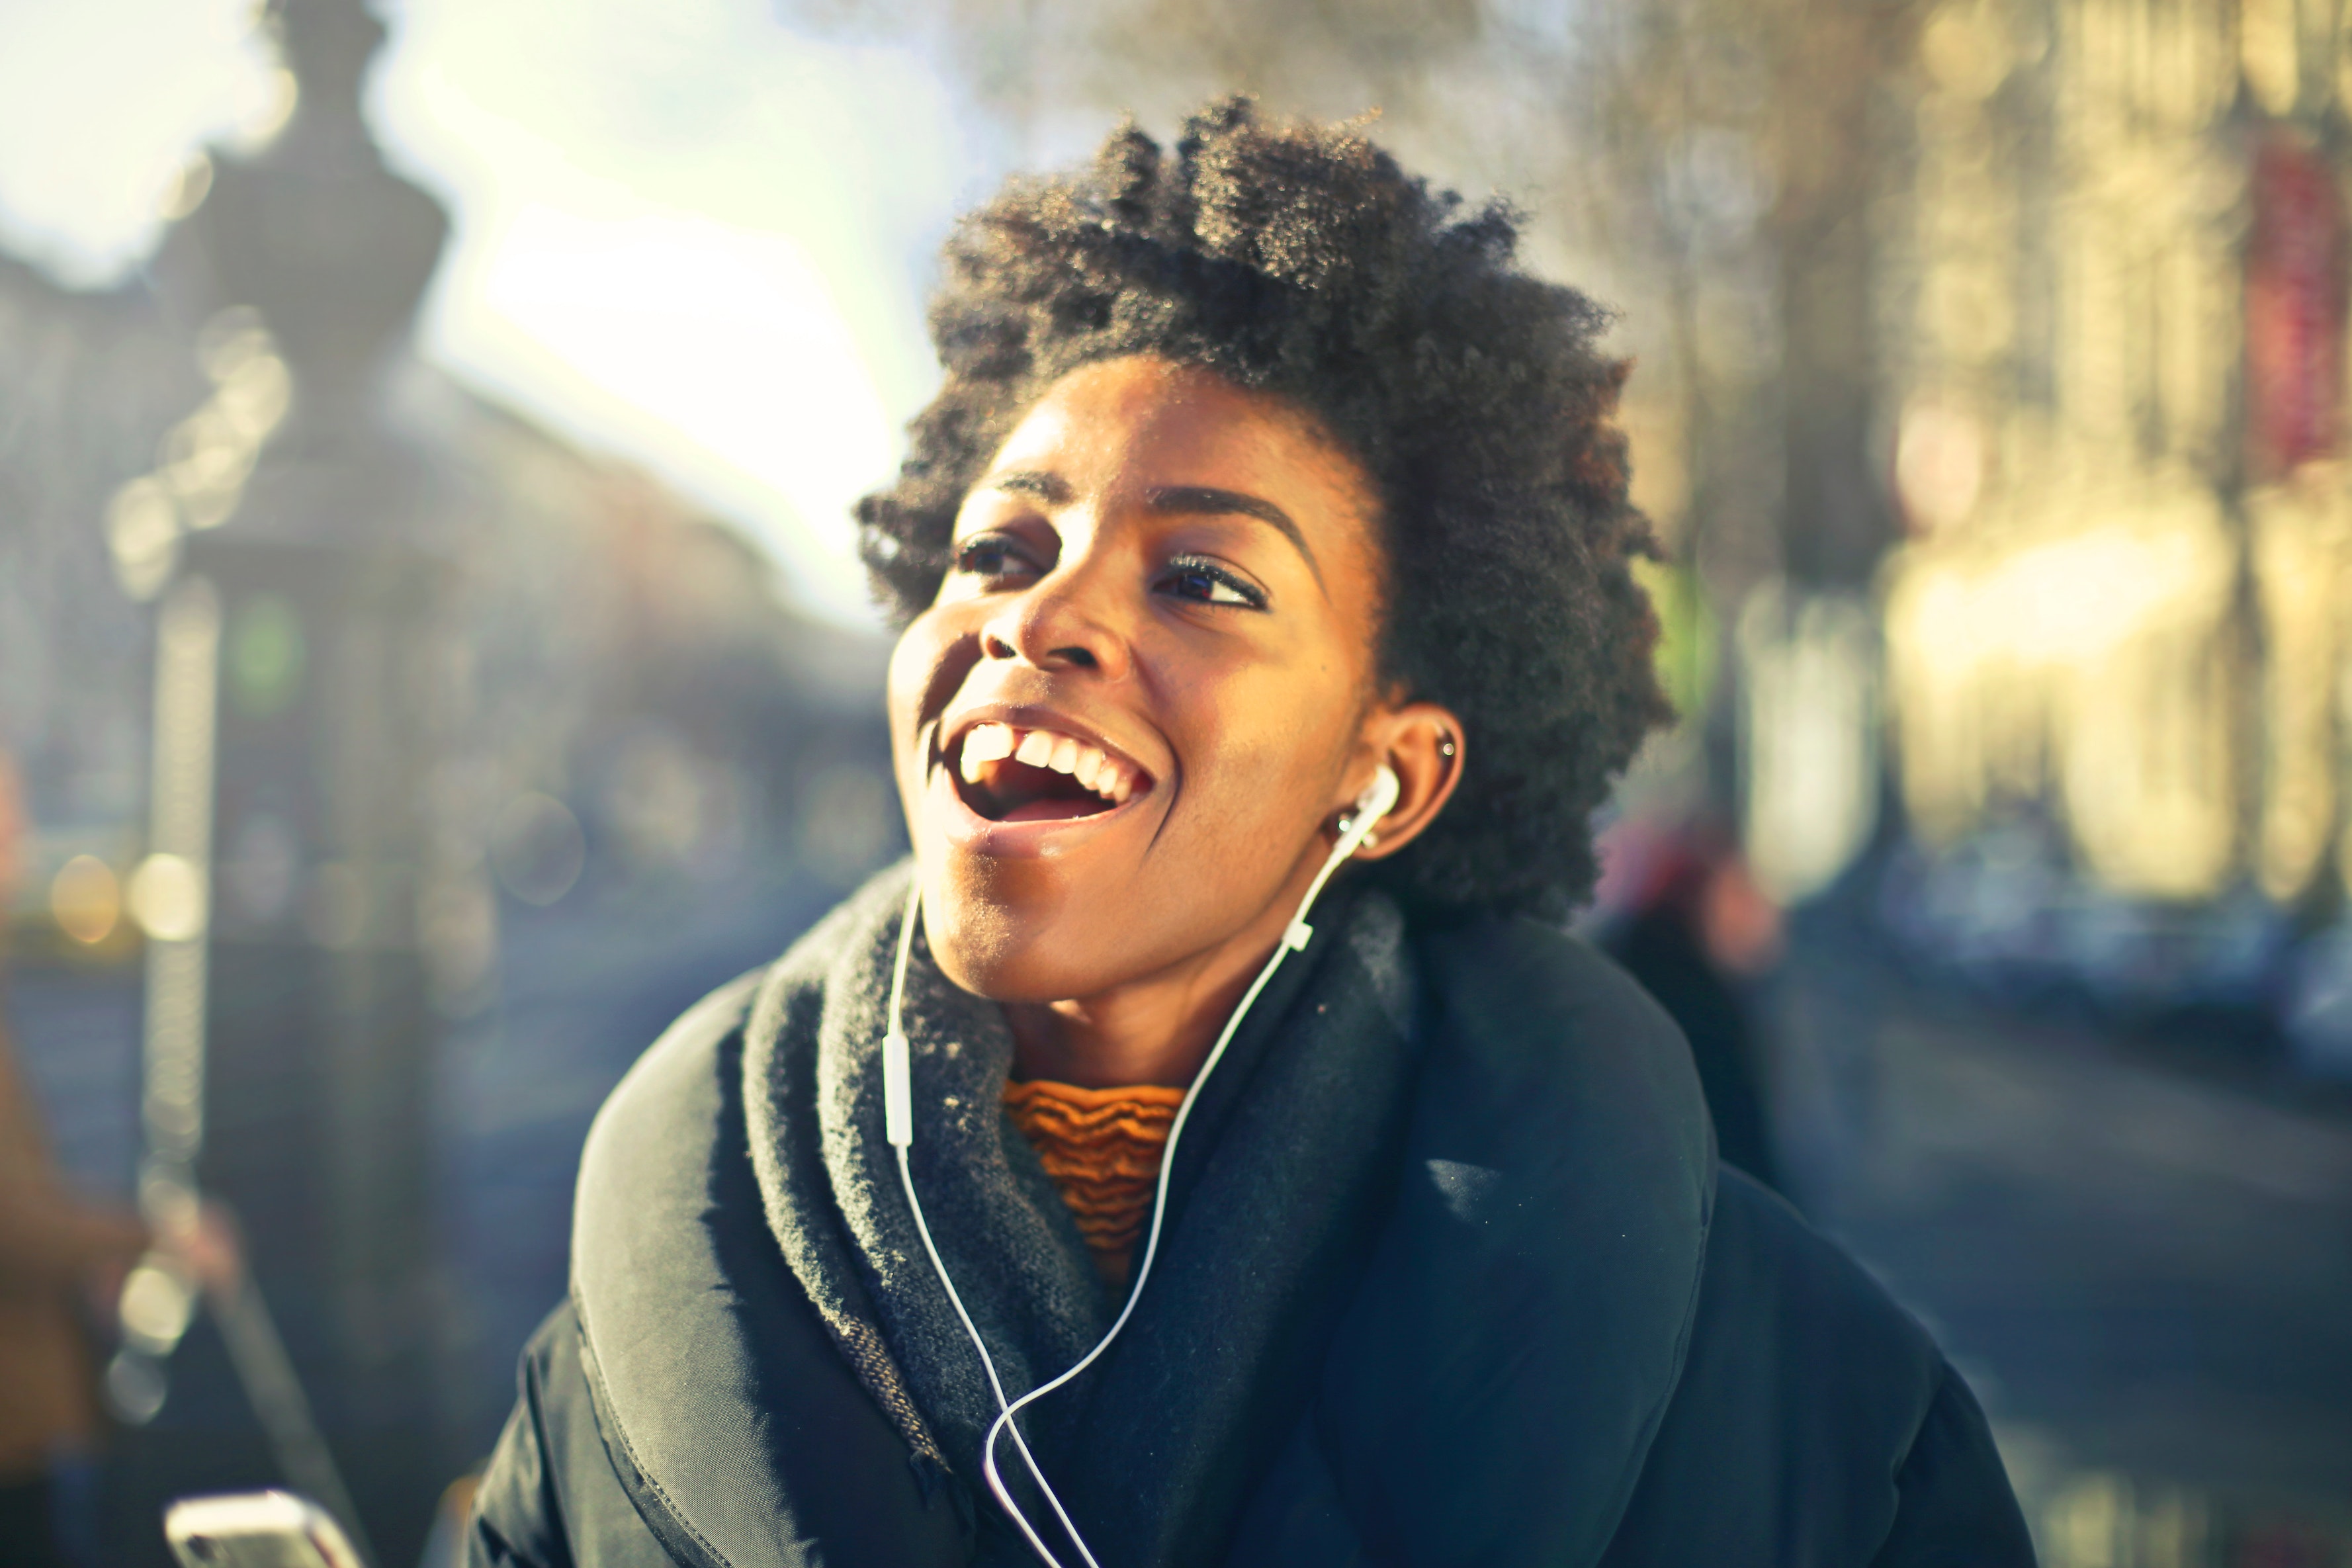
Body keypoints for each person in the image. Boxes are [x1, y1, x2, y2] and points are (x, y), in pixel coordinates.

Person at [465, 102, 2034, 1567]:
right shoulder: (600, 1369)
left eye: (1202, 579)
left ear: (1391, 775)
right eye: (1000, 546)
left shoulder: (1823, 1422)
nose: (1040, 616)